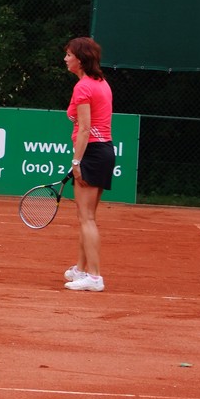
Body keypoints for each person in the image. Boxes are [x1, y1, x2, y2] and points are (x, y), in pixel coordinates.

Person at [63, 36, 115, 292]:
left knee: (86, 218)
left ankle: (94, 277)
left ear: (80, 60)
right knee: (87, 216)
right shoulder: (101, 83)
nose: (65, 59)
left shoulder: (83, 87)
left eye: (69, 55)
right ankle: (81, 269)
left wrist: (77, 161)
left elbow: (85, 129)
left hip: (92, 152)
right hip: (104, 151)